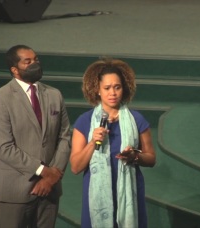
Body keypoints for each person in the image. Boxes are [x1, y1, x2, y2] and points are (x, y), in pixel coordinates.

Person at [0, 44, 71, 227]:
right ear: (14, 70)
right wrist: (43, 171)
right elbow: (3, 148)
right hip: (14, 190)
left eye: (36, 59)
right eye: (28, 61)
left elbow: (64, 137)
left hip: (50, 189)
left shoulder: (54, 95)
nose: (35, 64)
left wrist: (52, 176)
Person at [70, 58, 156, 228]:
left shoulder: (136, 120)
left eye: (117, 87)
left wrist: (135, 156)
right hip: (96, 197)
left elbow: (151, 159)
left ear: (124, 89)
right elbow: (75, 167)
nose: (113, 93)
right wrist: (92, 142)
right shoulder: (84, 121)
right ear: (98, 90)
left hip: (130, 194)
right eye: (107, 88)